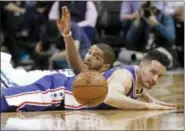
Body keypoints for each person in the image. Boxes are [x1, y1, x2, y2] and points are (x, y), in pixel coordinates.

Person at [1, 6, 176, 112]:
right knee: (5, 102)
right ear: (141, 65)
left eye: (159, 76)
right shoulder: (123, 76)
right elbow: (109, 95)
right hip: (57, 91)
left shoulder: (136, 77)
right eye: (153, 72)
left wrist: (150, 99)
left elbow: (134, 87)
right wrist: (147, 106)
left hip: (64, 94)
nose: (155, 79)